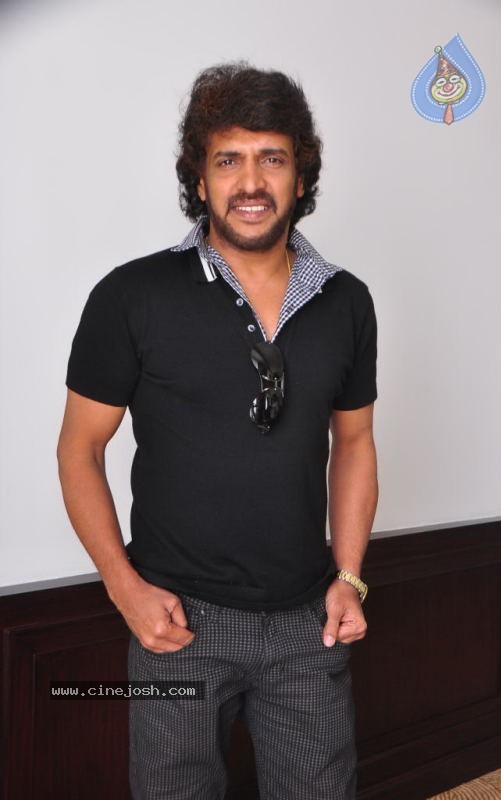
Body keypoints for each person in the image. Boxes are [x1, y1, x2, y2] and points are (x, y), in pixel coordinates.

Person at [57, 62, 378, 800]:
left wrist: (350, 576)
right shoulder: (131, 295)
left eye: (272, 158)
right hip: (175, 622)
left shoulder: (346, 301)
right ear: (199, 181)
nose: (251, 182)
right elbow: (79, 449)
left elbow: (356, 443)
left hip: (308, 622)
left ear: (301, 176)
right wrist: (125, 590)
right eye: (227, 160)